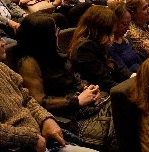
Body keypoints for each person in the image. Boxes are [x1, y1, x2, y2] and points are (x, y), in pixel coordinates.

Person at [0, 23, 96, 152]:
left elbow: (27, 99)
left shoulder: (0, 69)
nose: (4, 42)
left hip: (42, 141)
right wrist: (31, 138)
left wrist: (45, 119)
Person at [15, 13, 116, 149]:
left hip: (82, 108)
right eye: (55, 31)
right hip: (67, 119)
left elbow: (74, 81)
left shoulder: (53, 54)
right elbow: (37, 102)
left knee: (126, 108)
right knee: (122, 124)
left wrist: (88, 90)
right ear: (44, 37)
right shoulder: (28, 63)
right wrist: (77, 101)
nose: (58, 34)